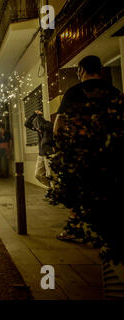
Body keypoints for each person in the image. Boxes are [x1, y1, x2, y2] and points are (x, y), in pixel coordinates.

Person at [53, 55, 121, 241]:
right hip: (109, 153)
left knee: (77, 191)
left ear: (81, 70)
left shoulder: (73, 92)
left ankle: (75, 229)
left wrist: (61, 147)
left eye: (78, 70)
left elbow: (59, 122)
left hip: (80, 153)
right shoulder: (114, 92)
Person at [25, 110, 54, 188]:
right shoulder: (38, 128)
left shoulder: (49, 125)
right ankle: (51, 189)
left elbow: (51, 126)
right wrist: (34, 114)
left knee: (52, 176)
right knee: (38, 174)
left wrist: (41, 127)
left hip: (49, 154)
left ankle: (54, 193)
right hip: (41, 154)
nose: (36, 128)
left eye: (37, 126)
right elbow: (27, 124)